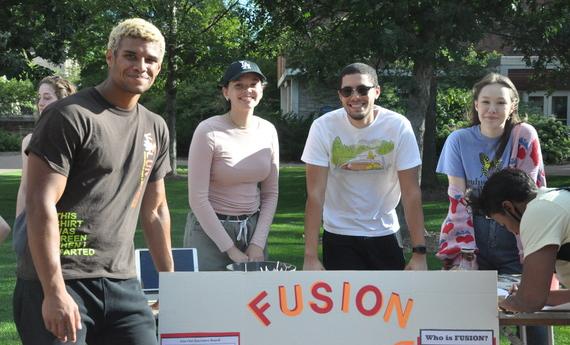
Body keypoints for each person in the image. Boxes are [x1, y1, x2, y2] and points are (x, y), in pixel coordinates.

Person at [13, 18, 173, 345]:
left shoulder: (155, 127)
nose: (141, 65)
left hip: (122, 281)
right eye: (131, 56)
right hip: (60, 277)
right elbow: (40, 203)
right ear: (110, 56)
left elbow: (155, 211)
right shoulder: (70, 116)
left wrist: (173, 286)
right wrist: (54, 291)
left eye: (150, 59)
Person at [436, 73, 548, 344]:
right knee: (472, 319)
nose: (492, 109)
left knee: (530, 313)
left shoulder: (524, 135)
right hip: (474, 236)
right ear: (475, 105)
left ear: (512, 106)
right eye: (485, 101)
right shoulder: (458, 140)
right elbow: (457, 197)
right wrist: (462, 250)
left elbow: (525, 195)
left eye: (500, 102)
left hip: (516, 235)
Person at [301, 62, 427, 271]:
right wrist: (310, 256)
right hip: (339, 236)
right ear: (340, 95)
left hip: (385, 234)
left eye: (362, 89)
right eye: (347, 91)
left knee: (391, 303)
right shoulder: (323, 127)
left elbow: (411, 193)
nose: (355, 96)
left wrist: (419, 253)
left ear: (377, 92)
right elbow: (315, 195)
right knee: (343, 303)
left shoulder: (397, 126)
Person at [183, 60, 279, 271]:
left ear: (261, 90)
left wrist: (257, 243)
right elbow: (197, 199)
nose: (248, 90)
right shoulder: (208, 131)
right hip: (210, 232)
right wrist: (230, 249)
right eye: (239, 85)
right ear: (226, 92)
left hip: (253, 231)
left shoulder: (269, 131)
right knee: (208, 301)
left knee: (254, 302)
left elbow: (270, 193)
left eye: (254, 84)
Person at [468, 168, 570, 312]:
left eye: (503, 224)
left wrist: (501, 304)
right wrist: (530, 295)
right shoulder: (555, 199)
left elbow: (530, 301)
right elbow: (535, 297)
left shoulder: (538, 212)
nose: (512, 231)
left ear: (508, 207)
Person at [16, 76, 77, 218]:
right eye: (40, 97)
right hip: (39, 219)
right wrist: (20, 228)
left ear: (62, 101)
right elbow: (25, 189)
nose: (41, 103)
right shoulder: (30, 141)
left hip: (72, 221)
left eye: (47, 97)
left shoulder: (78, 138)